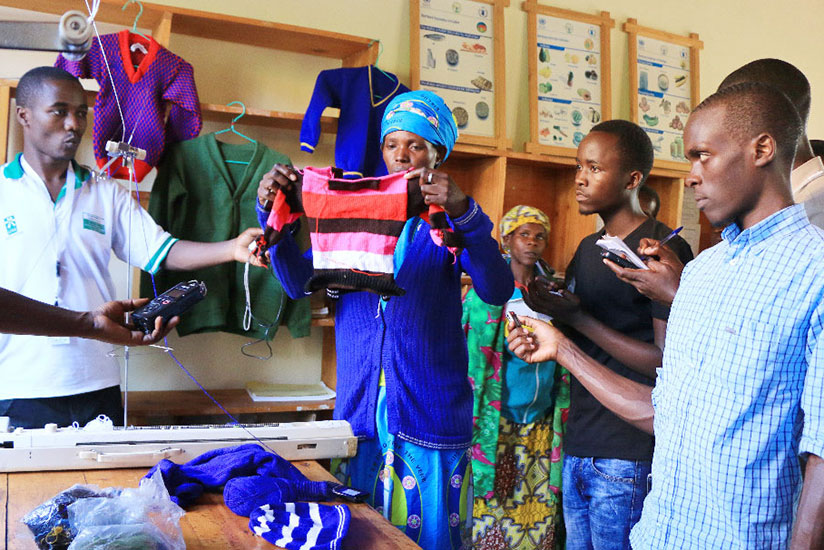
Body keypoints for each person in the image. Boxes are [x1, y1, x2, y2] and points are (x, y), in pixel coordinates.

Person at [509, 82, 824, 549]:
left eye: (703, 156)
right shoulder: (701, 273)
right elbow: (667, 414)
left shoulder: (814, 273)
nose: (691, 175)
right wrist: (563, 347)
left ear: (762, 149)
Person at [255, 90, 513, 549]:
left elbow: (497, 289)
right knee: (359, 537)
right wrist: (274, 213)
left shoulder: (447, 226)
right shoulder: (352, 218)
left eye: (416, 145)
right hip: (359, 417)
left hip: (428, 415)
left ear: (439, 153)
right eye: (393, 144)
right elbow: (297, 283)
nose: (402, 156)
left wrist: (465, 213)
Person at [0, 66, 264, 430]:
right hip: (17, 387)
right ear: (24, 116)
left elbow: (162, 251)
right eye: (59, 111)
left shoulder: (105, 193)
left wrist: (232, 248)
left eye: (81, 112)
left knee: (106, 488)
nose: (74, 124)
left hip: (97, 383)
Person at [522, 120, 692, 550]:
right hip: (580, 440)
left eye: (595, 168)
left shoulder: (659, 247)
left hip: (627, 450)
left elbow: (665, 360)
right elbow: (578, 338)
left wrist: (579, 322)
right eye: (579, 166)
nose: (580, 178)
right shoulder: (587, 247)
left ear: (632, 179)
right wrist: (544, 320)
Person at [608, 58, 824, 306]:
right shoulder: (753, 216)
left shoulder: (816, 214)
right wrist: (687, 280)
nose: (692, 178)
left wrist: (676, 296)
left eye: (735, 110)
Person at [465, 205, 569, 550]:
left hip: (542, 421)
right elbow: (470, 349)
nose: (533, 243)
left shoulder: (552, 291)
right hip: (499, 421)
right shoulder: (487, 291)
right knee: (494, 504)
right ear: (507, 240)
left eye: (540, 236)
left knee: (537, 506)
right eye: (524, 234)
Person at [0, 288, 177, 345]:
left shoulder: (110, 200)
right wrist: (92, 324)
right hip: (18, 380)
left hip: (97, 378)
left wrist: (93, 323)